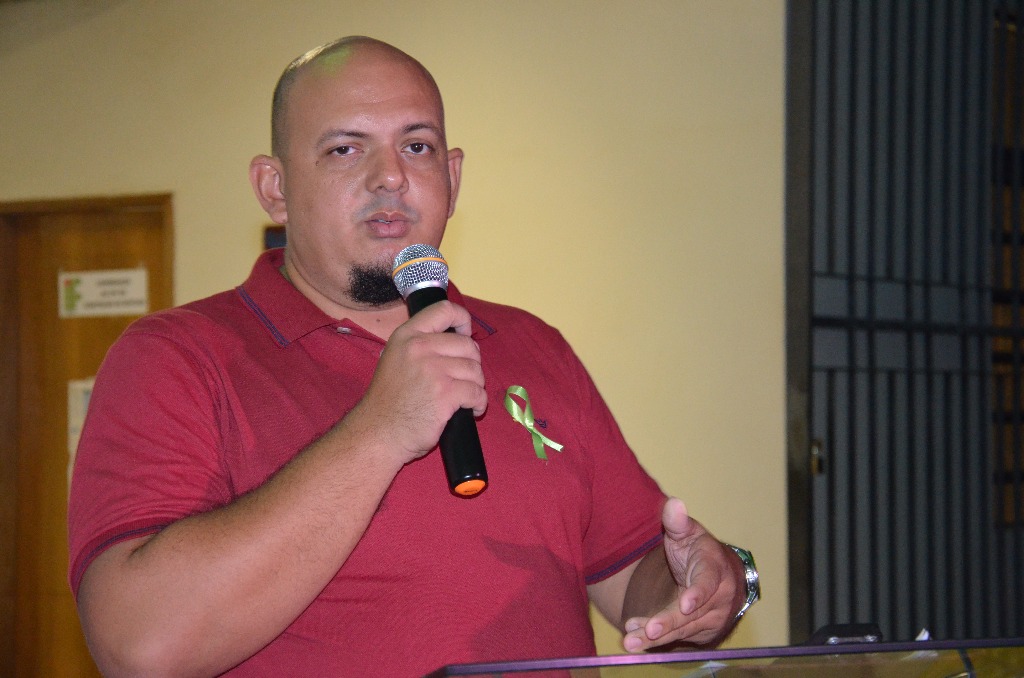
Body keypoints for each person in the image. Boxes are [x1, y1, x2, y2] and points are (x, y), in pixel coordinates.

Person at [67, 36, 759, 677]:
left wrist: (696, 586)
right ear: (275, 188)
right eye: (345, 149)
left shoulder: (533, 345)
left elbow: (632, 575)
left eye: (417, 146)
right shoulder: (176, 359)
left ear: (452, 177)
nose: (391, 177)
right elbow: (139, 647)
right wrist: (380, 430)